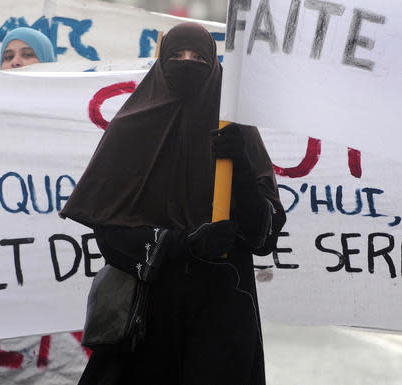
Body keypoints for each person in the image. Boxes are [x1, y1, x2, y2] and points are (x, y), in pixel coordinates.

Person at [61, 22, 286, 385]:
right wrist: (181, 244)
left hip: (221, 320)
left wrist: (240, 167)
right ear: (161, 64)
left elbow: (264, 234)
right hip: (147, 324)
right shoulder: (131, 128)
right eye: (177, 56)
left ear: (214, 66)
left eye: (199, 57)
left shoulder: (235, 128)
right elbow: (110, 237)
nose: (187, 64)